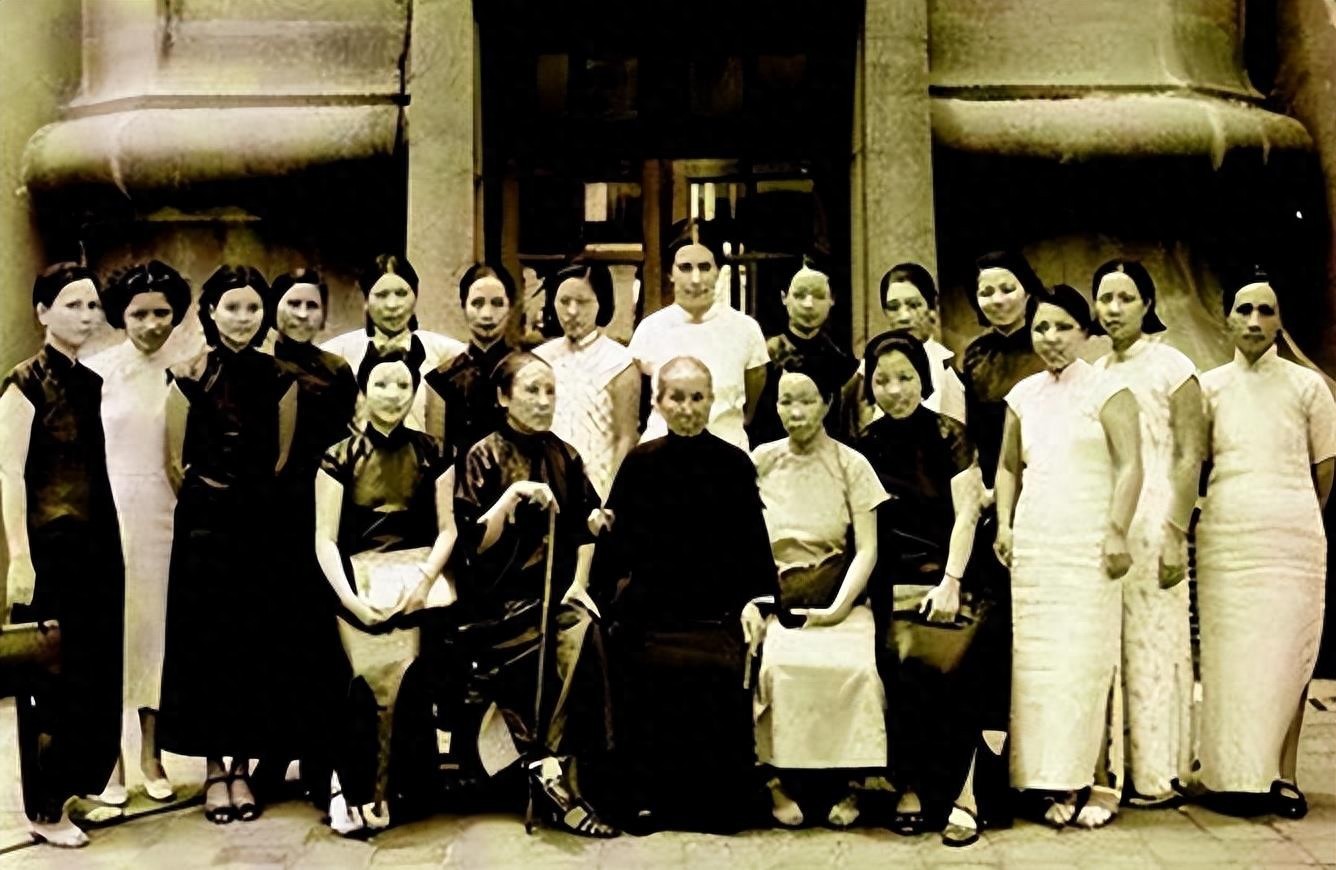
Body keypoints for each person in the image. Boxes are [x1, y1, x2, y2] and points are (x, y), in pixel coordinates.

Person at [588, 356, 780, 834]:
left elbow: (753, 545)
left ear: (712, 401)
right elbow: (616, 547)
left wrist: (755, 602)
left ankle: (713, 804)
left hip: (716, 611)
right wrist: (600, 581)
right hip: (651, 610)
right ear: (659, 402)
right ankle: (647, 798)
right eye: (677, 397)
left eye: (698, 398)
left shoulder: (734, 464)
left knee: (716, 671)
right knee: (634, 666)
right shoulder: (639, 463)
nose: (688, 408)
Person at [994, 284, 1142, 829]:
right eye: (1041, 327)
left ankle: (1096, 779)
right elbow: (1007, 467)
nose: (1050, 337)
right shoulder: (1023, 395)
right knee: (1038, 669)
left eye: (1062, 326)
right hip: (1036, 545)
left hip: (1087, 544)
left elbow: (1131, 465)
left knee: (1085, 663)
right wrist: (1005, 524)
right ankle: (1049, 779)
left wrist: (1117, 531)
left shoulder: (1108, 389)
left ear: (1084, 331)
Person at [452, 351, 617, 837]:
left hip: (554, 594)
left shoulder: (565, 456)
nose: (544, 401)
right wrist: (512, 497)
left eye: (550, 391)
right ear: (503, 398)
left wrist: (579, 583)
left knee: (584, 632)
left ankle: (555, 765)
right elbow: (472, 544)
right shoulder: (482, 455)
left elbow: (585, 529)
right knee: (538, 641)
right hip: (496, 603)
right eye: (531, 390)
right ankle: (550, 773)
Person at [156, 265, 298, 825]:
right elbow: (174, 464)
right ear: (211, 312)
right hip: (204, 533)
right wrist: (210, 505)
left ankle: (244, 766)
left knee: (252, 645)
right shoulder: (187, 374)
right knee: (206, 648)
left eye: (253, 308)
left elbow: (281, 459)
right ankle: (214, 768)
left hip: (261, 528)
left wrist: (250, 504)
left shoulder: (281, 377)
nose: (243, 318)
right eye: (232, 307)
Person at [1195, 273, 1336, 819]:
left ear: (1280, 321)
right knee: (1232, 658)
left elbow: (1325, 468)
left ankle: (1284, 775)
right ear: (1227, 318)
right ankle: (1228, 774)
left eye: (1266, 311)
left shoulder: (1308, 387)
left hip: (1291, 536)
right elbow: (1194, 461)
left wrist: (1291, 511)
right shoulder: (1209, 387)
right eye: (1244, 310)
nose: (1254, 321)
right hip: (1226, 537)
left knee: (1287, 656)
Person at [0, 263, 125, 848]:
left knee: (94, 677)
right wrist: (20, 558)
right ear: (43, 312)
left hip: (98, 547)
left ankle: (73, 788)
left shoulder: (90, 382)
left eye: (92, 305)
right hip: (50, 551)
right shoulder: (22, 384)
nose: (86, 315)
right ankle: (44, 809)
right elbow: (9, 474)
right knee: (50, 686)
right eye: (72, 304)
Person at [314, 351, 456, 837]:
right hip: (356, 581)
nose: (392, 395)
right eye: (381, 384)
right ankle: (349, 787)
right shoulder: (338, 456)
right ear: (363, 390)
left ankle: (398, 789)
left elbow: (447, 530)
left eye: (402, 385)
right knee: (358, 682)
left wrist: (424, 583)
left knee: (411, 679)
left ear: (414, 391)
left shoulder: (435, 451)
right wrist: (349, 599)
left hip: (418, 581)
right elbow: (324, 539)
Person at [855, 332, 985, 846]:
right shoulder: (865, 442)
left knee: (959, 665)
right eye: (883, 380)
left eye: (906, 377)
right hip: (890, 577)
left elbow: (967, 515)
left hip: (951, 571)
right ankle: (908, 784)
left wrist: (951, 580)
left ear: (923, 379)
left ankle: (965, 792)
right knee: (897, 663)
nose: (895, 390)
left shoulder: (951, 434)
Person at [751, 360, 888, 829]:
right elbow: (741, 542)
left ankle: (852, 782)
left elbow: (867, 549)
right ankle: (777, 781)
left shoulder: (852, 464)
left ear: (827, 403)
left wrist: (836, 609)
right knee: (775, 669)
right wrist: (757, 601)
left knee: (857, 671)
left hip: (838, 591)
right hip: (778, 595)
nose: (796, 412)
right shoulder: (760, 461)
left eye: (807, 401)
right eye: (786, 401)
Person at [82, 261, 197, 810]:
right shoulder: (94, 373)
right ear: (120, 316)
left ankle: (153, 755)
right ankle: (111, 760)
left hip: (167, 516)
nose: (152, 325)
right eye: (139, 314)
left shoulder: (189, 370)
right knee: (112, 636)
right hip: (111, 514)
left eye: (162, 313)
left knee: (157, 636)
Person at [1090, 259, 1203, 809]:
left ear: (1147, 304)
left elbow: (1190, 454)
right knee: (1116, 647)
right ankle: (1118, 766)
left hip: (1157, 518)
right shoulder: (1097, 372)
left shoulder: (1173, 366)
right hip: (1111, 521)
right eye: (1105, 298)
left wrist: (1177, 531)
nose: (1113, 309)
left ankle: (1158, 774)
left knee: (1155, 645)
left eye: (1125, 298)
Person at [254, 269, 360, 808]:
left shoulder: (337, 371)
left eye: (311, 306)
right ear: (274, 308)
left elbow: (348, 445)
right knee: (272, 638)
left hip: (321, 512)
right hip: (267, 515)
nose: (301, 314)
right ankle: (272, 755)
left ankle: (321, 757)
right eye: (292, 304)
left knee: (319, 639)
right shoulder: (256, 365)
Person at [955, 249, 1046, 828]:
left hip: (1053, 498)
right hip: (997, 505)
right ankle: (991, 780)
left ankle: (1044, 769)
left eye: (1007, 287)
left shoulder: (1049, 345)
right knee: (995, 643)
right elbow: (972, 438)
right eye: (986, 291)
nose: (997, 300)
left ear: (1027, 289)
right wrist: (988, 493)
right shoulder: (975, 357)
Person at [628, 222, 769, 451]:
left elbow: (752, 399)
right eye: (685, 268)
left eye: (705, 267)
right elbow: (635, 404)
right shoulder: (650, 329)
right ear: (670, 273)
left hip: (726, 453)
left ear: (718, 271)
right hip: (663, 454)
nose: (695, 279)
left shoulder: (746, 329)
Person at [322, 254, 465, 432]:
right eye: (382, 295)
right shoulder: (335, 354)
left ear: (415, 297)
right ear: (366, 300)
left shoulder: (448, 354)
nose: (392, 305)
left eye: (401, 294)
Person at [533, 262, 640, 501]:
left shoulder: (619, 362)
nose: (572, 311)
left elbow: (625, 437)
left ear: (601, 302)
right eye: (564, 301)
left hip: (599, 482)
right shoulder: (539, 359)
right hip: (546, 484)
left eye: (582, 302)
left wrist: (611, 499)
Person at [847, 263, 966, 437]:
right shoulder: (866, 372)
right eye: (893, 307)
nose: (904, 316)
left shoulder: (949, 365)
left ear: (932, 306)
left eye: (914, 305)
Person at [748, 259, 858, 446]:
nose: (809, 304)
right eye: (799, 295)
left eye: (818, 296)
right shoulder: (764, 355)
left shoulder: (842, 361)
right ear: (784, 297)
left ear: (832, 299)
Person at [424, 263, 519, 460]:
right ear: (463, 306)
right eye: (477, 303)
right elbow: (437, 453)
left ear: (511, 306)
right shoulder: (443, 379)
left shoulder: (527, 372)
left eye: (497, 303)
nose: (487, 314)